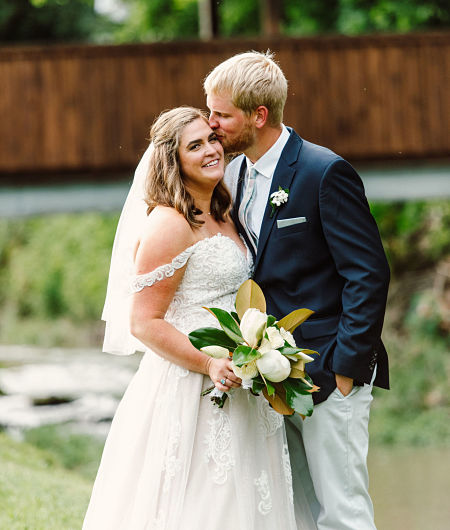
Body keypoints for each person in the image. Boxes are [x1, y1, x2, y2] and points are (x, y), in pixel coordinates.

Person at [83, 106, 316, 530]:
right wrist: (208, 364)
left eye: (211, 138)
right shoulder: (169, 224)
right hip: (190, 386)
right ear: (175, 160)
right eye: (195, 146)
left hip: (240, 378)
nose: (211, 149)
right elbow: (144, 322)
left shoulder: (224, 210)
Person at [204, 51, 390, 530]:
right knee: (296, 515)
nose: (212, 124)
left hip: (328, 376)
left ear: (258, 115)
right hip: (267, 383)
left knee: (342, 514)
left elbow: (368, 274)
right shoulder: (232, 173)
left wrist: (345, 370)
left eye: (222, 114)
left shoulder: (323, 172)